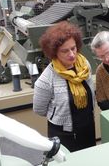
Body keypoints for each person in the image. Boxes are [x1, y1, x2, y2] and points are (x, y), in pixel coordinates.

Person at [33, 21, 96, 152]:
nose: (72, 54)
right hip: (63, 134)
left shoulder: (84, 66)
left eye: (73, 48)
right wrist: (59, 114)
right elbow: (39, 109)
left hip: (88, 128)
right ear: (54, 53)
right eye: (65, 51)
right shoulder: (46, 80)